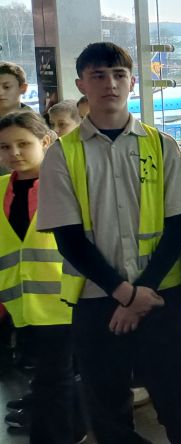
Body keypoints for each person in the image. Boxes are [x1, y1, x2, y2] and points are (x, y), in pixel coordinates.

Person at [37, 42, 181, 444]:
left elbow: (178, 225)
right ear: (82, 84)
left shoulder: (161, 145)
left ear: (131, 82)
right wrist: (126, 294)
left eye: (118, 75)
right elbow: (69, 239)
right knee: (107, 407)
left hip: (161, 296)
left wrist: (141, 293)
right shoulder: (62, 155)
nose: (110, 84)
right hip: (98, 301)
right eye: (98, 76)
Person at [0, 111, 85, 443]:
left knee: (53, 380)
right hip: (20, 309)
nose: (14, 153)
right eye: (5, 147)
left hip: (65, 305)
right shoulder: (1, 190)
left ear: (46, 141)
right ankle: (74, 429)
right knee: (48, 380)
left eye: (23, 144)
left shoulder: (67, 186)